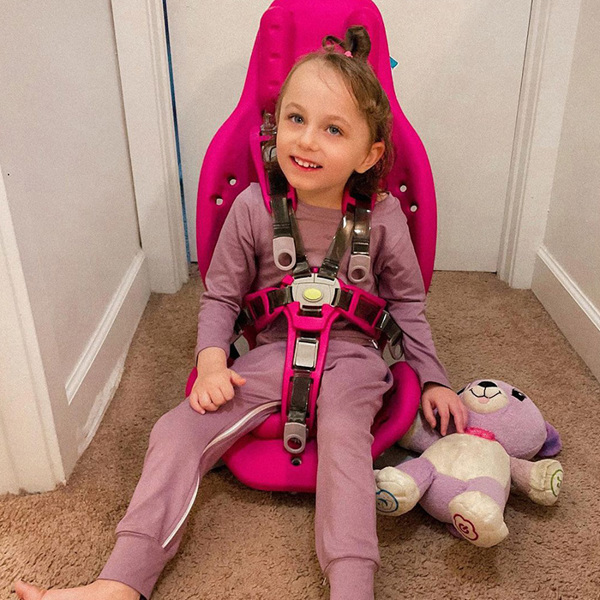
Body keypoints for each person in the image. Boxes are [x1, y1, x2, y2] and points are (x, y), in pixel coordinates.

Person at [14, 25, 468, 600]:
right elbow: (221, 297)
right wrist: (209, 363)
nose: (306, 141)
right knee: (174, 428)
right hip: (271, 355)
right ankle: (120, 583)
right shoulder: (254, 208)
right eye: (295, 120)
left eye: (333, 129)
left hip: (353, 359)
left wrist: (433, 378)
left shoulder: (382, 219)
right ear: (272, 127)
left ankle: (353, 585)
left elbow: (407, 303)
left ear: (369, 153)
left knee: (345, 437)